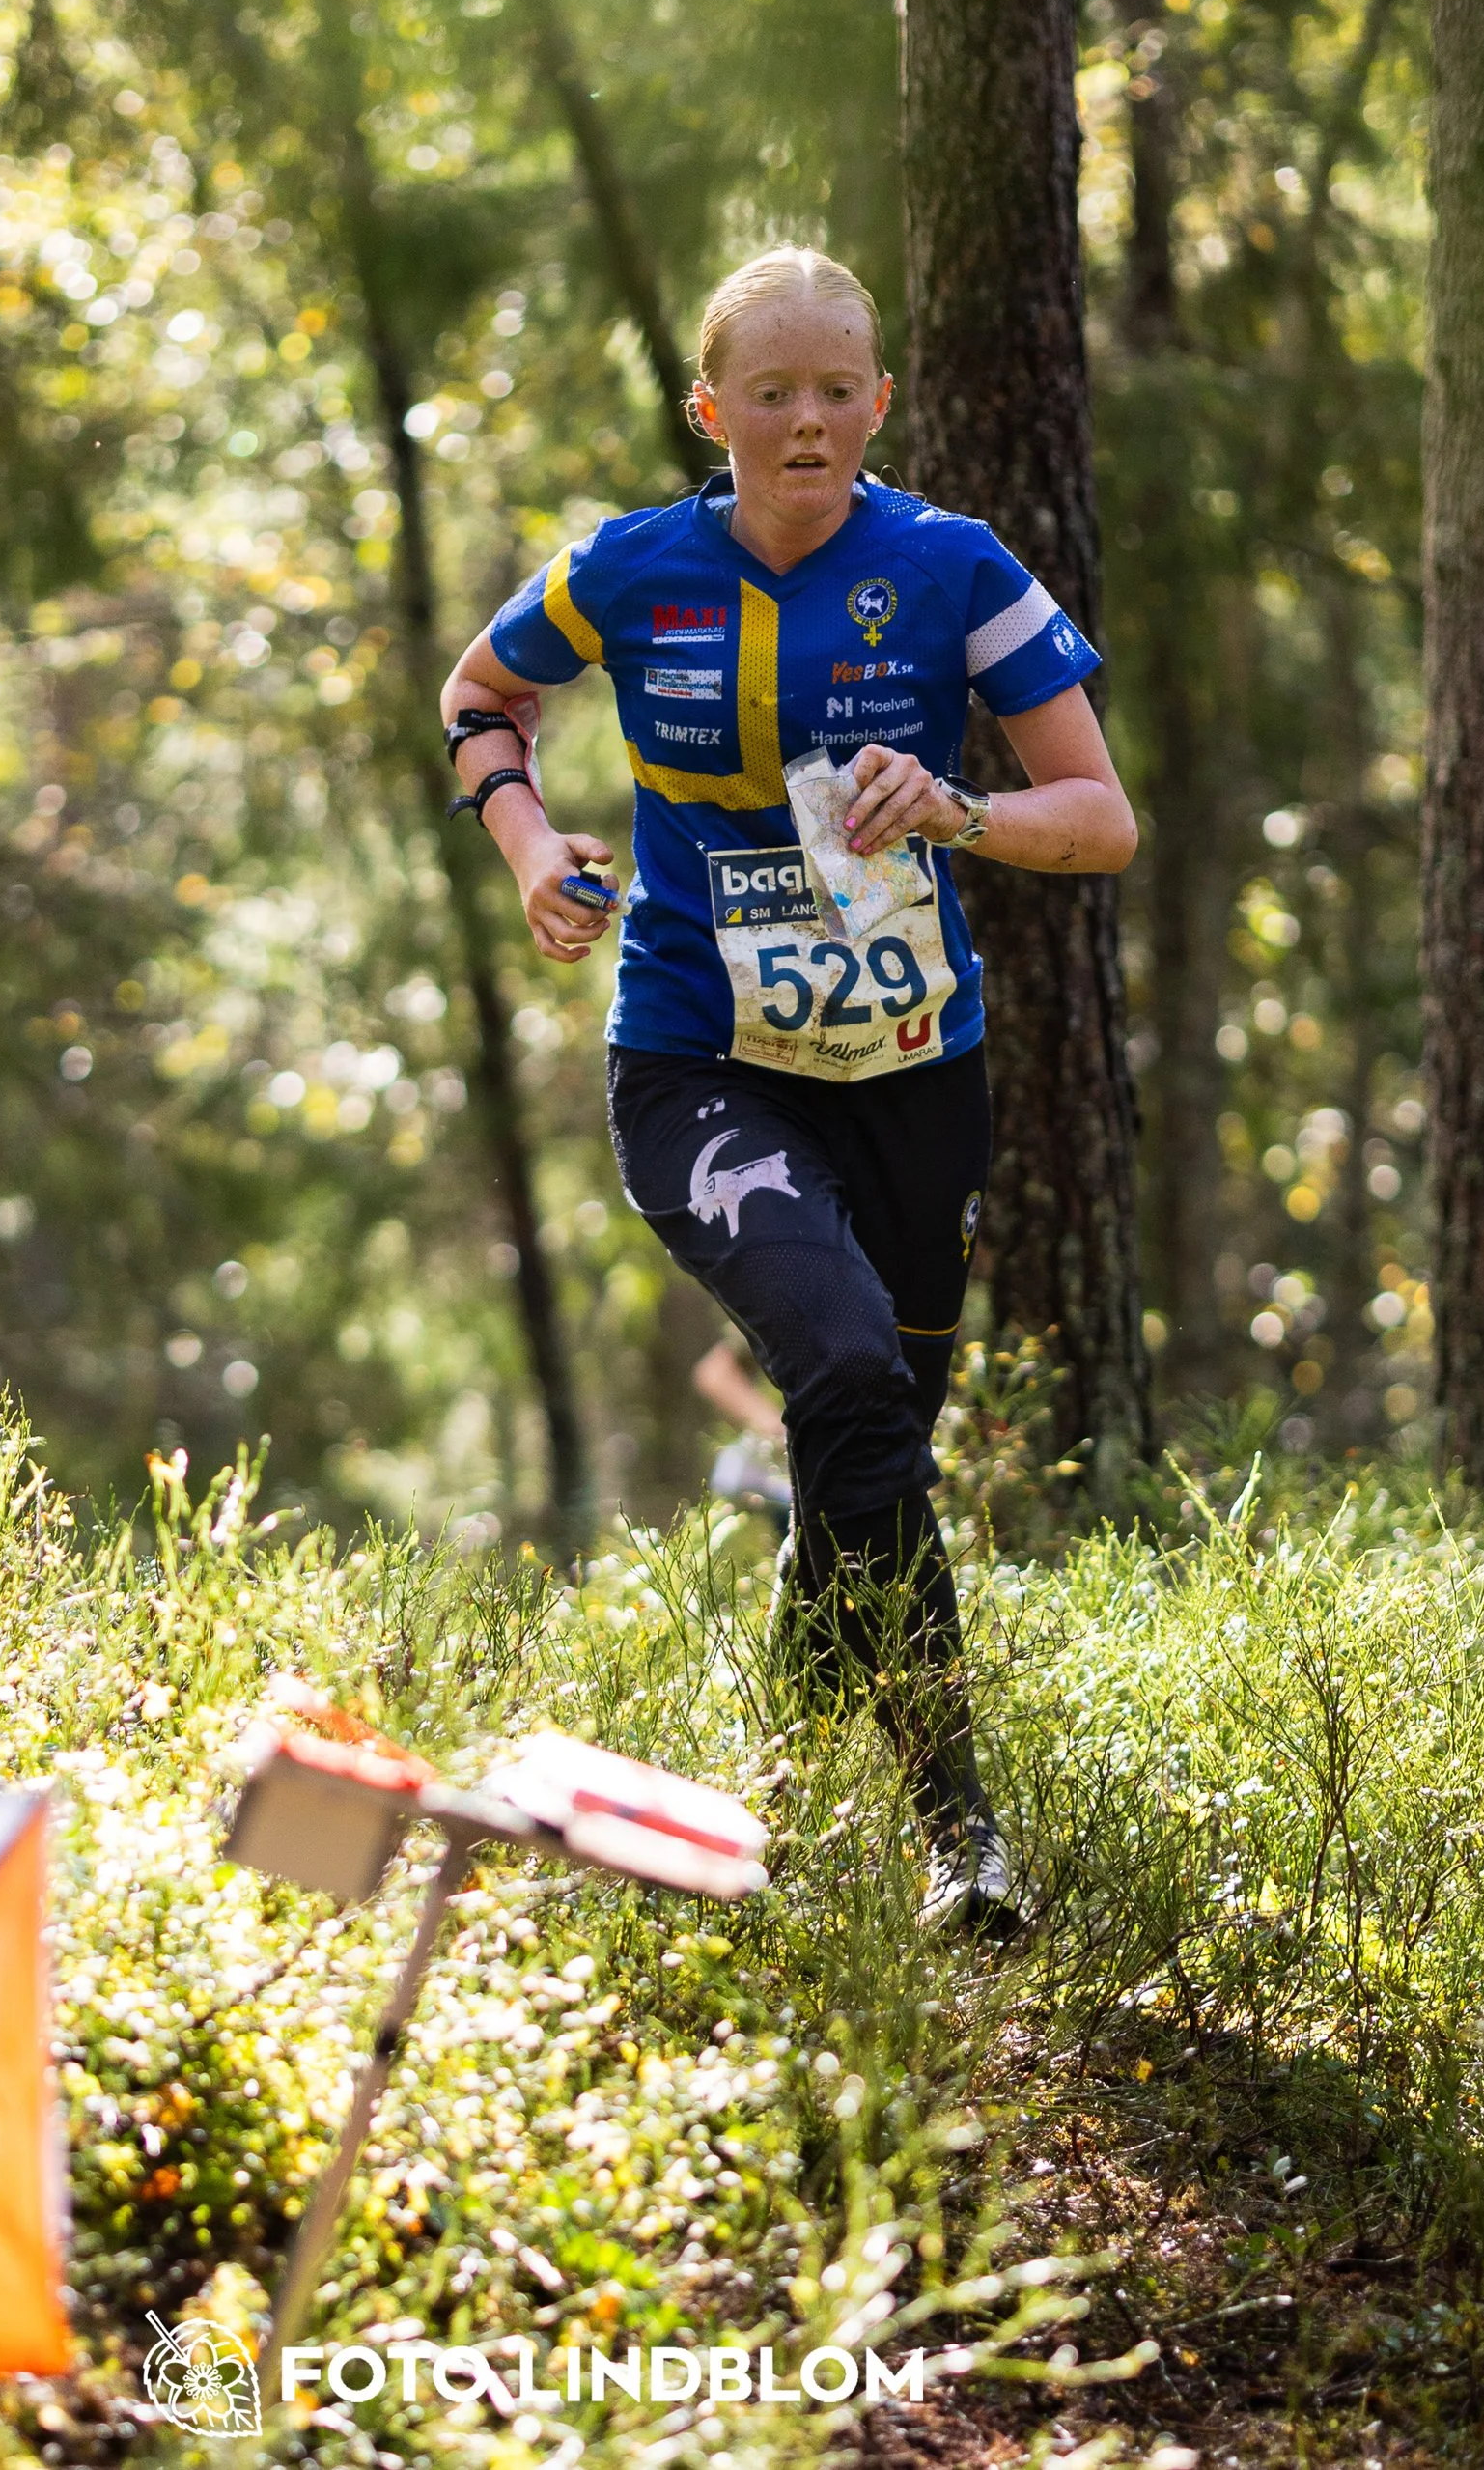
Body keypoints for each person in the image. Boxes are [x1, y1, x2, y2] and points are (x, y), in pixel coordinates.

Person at [437, 245, 1136, 1930]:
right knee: (840, 1365)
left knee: (868, 1434)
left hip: (910, 1071)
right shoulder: (630, 568)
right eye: (773, 394)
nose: (807, 421)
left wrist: (961, 810)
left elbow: (1102, 820)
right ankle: (959, 1828)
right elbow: (480, 694)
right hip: (699, 1061)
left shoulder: (954, 566)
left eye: (837, 391)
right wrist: (529, 848)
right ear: (714, 412)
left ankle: (788, 1773)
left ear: (879, 404)